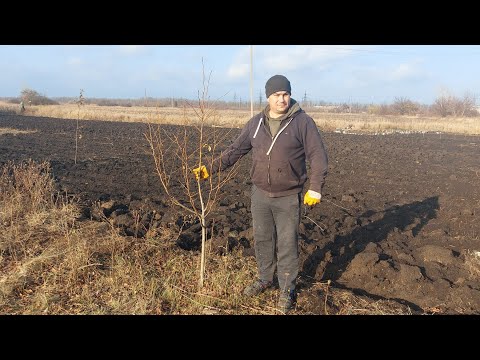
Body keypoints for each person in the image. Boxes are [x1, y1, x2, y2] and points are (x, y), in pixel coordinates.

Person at [193, 74, 328, 313]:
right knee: (263, 239)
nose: (282, 99)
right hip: (260, 194)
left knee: (287, 244)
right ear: (268, 97)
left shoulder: (302, 122)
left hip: (289, 195)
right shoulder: (255, 123)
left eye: (285, 94)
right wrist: (209, 169)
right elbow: (235, 151)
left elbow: (318, 156)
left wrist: (315, 188)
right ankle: (265, 278)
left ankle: (287, 288)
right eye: (276, 95)